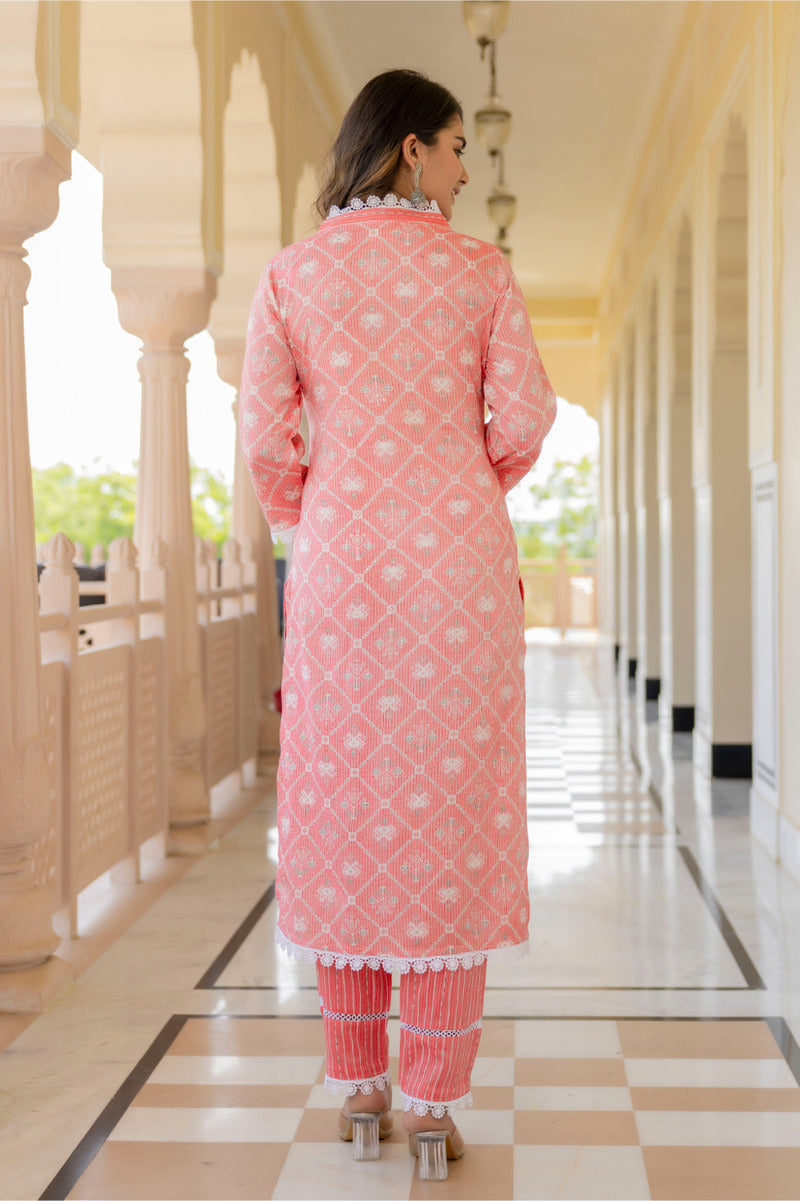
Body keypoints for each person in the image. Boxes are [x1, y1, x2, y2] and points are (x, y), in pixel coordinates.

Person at [240, 68, 556, 1181]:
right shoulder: (479, 271)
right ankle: (432, 1105)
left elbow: (267, 438)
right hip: (457, 568)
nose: (470, 170)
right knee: (449, 813)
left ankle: (361, 1089)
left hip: (337, 564)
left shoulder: (291, 276)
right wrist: (463, 487)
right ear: (412, 148)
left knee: (340, 805)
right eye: (460, 148)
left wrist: (316, 513)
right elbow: (519, 419)